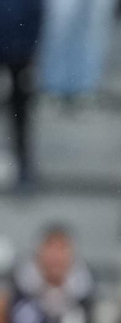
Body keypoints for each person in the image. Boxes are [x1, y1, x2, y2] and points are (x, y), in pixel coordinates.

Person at [0, 0, 42, 190]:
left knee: (20, 114)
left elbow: (35, 14)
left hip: (19, 53)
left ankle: (24, 168)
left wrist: (29, 53)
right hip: (16, 47)